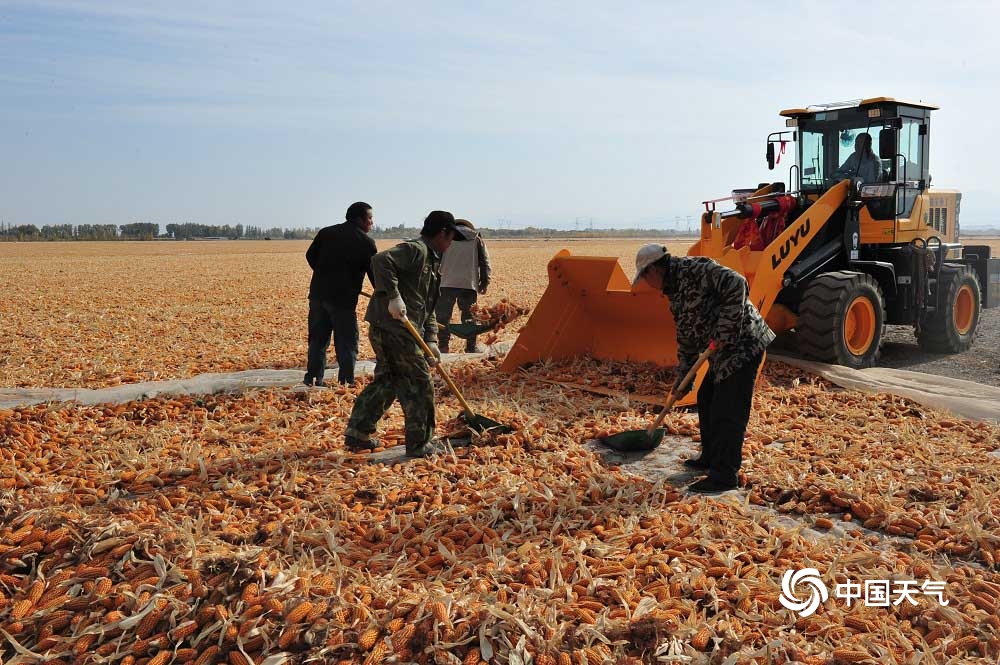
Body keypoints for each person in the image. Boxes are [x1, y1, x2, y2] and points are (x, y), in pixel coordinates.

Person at [632, 244, 775, 494]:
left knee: (728, 411)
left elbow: (738, 284)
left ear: (654, 269)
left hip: (744, 343)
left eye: (644, 276)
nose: (645, 282)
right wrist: (683, 379)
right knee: (706, 398)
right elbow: (687, 337)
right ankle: (709, 457)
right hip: (721, 351)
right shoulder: (674, 290)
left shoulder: (696, 269)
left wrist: (725, 330)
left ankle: (724, 475)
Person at [344, 210, 467, 457]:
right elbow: (380, 261)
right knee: (420, 383)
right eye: (452, 237)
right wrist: (393, 296)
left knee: (388, 380)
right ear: (442, 233)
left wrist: (431, 339)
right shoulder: (417, 250)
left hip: (397, 329)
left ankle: (358, 432)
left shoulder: (432, 260)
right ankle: (420, 443)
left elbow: (428, 304)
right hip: (392, 328)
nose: (451, 243)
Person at [304, 202, 378, 387]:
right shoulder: (366, 243)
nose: (372, 222)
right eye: (369, 218)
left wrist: (323, 273)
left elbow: (310, 256)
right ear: (359, 219)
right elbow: (374, 273)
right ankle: (346, 381)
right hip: (343, 300)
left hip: (318, 295)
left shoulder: (326, 233)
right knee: (347, 342)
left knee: (317, 340)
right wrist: (383, 292)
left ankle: (313, 379)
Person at [436, 219, 492, 353]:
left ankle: (443, 346)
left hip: (446, 283)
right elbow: (484, 262)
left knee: (443, 317)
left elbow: (436, 259)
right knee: (469, 317)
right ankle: (470, 347)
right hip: (469, 283)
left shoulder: (445, 237)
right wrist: (484, 282)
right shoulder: (476, 239)